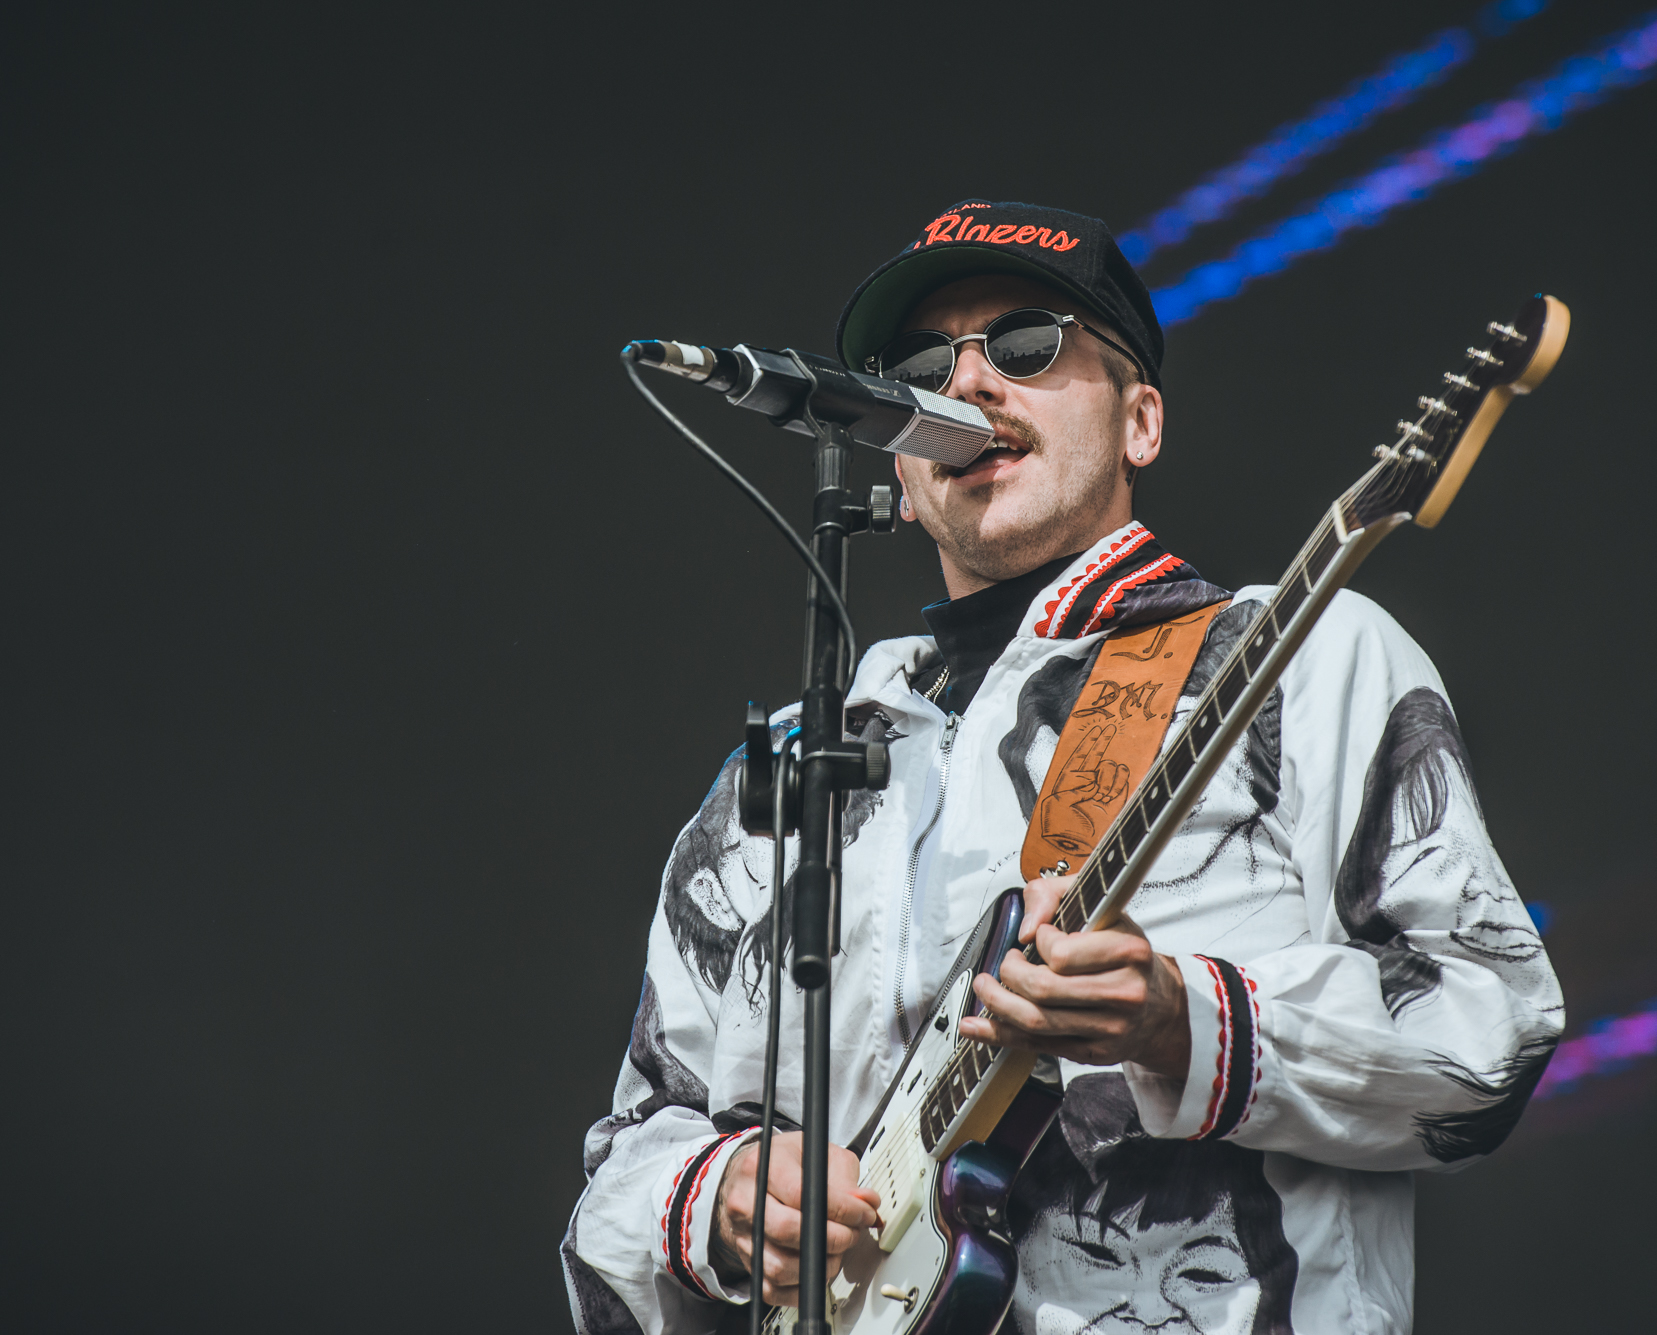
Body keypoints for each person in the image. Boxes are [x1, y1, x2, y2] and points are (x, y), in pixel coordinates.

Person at [561, 199, 1563, 1335]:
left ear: (1141, 422)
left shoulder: (1301, 659)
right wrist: (713, 1201)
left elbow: (1490, 1027)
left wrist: (1184, 1018)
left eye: (1026, 346)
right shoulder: (798, 764)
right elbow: (627, 1156)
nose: (968, 383)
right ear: (899, 465)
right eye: (921, 367)